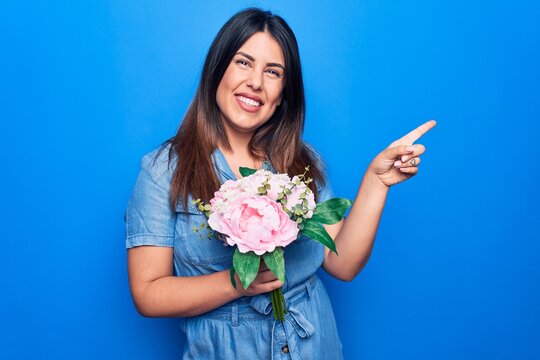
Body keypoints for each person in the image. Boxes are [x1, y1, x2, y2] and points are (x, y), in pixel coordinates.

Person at [124, 7, 436, 360]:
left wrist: (377, 182)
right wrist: (236, 283)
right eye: (243, 62)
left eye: (272, 72)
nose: (256, 81)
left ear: (284, 92)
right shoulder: (162, 170)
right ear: (217, 69)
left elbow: (343, 264)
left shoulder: (301, 161)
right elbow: (148, 293)